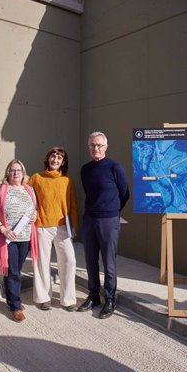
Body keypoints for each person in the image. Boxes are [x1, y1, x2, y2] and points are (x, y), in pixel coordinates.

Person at [78, 132, 130, 319]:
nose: (96, 149)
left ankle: (110, 298)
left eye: (99, 145)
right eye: (92, 145)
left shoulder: (115, 167)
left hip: (109, 220)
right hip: (90, 219)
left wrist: (112, 212)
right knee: (91, 260)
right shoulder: (86, 169)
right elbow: (89, 192)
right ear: (88, 147)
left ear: (106, 147)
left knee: (109, 262)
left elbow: (124, 193)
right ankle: (93, 296)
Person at [28, 147, 80, 312]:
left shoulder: (67, 180)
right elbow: (24, 191)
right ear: (48, 159)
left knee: (69, 261)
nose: (55, 160)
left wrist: (74, 224)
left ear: (63, 162)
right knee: (41, 262)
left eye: (59, 158)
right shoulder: (37, 178)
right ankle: (43, 298)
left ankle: (68, 299)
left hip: (62, 227)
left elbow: (73, 204)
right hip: (41, 226)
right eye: (53, 156)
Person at [0, 159, 38, 322]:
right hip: (8, 238)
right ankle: (16, 306)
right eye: (12, 170)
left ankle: (11, 298)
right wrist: (4, 230)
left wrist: (35, 216)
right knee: (13, 272)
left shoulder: (29, 189)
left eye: (18, 170)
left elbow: (35, 209)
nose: (15, 173)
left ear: (23, 173)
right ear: (7, 173)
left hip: (25, 236)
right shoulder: (0, 189)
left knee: (16, 270)